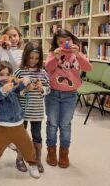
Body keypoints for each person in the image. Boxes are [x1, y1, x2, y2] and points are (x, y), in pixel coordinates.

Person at [0, 61, 41, 180]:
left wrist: (26, 80)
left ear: (11, 75)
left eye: (8, 74)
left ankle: (33, 164)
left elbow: (21, 85)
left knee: (27, 146)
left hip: (19, 125)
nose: (5, 77)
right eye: (1, 74)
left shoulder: (13, 84)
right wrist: (4, 89)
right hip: (3, 127)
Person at [44, 29, 91, 168]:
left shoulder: (77, 54)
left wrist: (78, 54)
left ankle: (64, 152)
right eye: (61, 42)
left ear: (72, 40)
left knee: (65, 124)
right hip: (52, 93)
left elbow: (88, 68)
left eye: (67, 40)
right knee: (52, 123)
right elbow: (48, 68)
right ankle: (51, 150)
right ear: (56, 43)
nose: (65, 44)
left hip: (70, 94)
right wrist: (56, 57)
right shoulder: (53, 54)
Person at [14, 41, 50, 173]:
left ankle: (36, 160)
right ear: (25, 56)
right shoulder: (19, 72)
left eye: (36, 58)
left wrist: (42, 89)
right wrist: (25, 90)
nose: (33, 61)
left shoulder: (43, 73)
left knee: (37, 136)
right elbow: (14, 91)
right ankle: (19, 159)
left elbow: (49, 89)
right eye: (30, 58)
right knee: (22, 136)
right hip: (21, 111)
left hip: (36, 112)